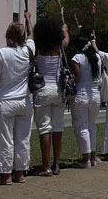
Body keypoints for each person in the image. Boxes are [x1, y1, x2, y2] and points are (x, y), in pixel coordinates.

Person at [0, 12, 34, 185]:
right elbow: (32, 35)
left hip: (5, 101)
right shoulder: (28, 51)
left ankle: (5, 175)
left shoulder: (0, 53)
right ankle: (20, 173)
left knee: (5, 140)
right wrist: (28, 19)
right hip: (24, 101)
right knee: (23, 139)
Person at [32, 18, 69, 176]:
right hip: (58, 90)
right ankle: (57, 164)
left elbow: (30, 36)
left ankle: (46, 165)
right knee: (58, 126)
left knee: (44, 128)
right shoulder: (59, 47)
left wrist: (28, 21)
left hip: (42, 90)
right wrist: (65, 29)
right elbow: (66, 38)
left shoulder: (37, 48)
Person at [70, 36, 101, 168]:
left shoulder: (77, 58)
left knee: (81, 126)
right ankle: (93, 157)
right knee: (91, 126)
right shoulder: (97, 58)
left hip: (81, 93)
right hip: (95, 94)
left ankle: (85, 159)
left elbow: (76, 77)